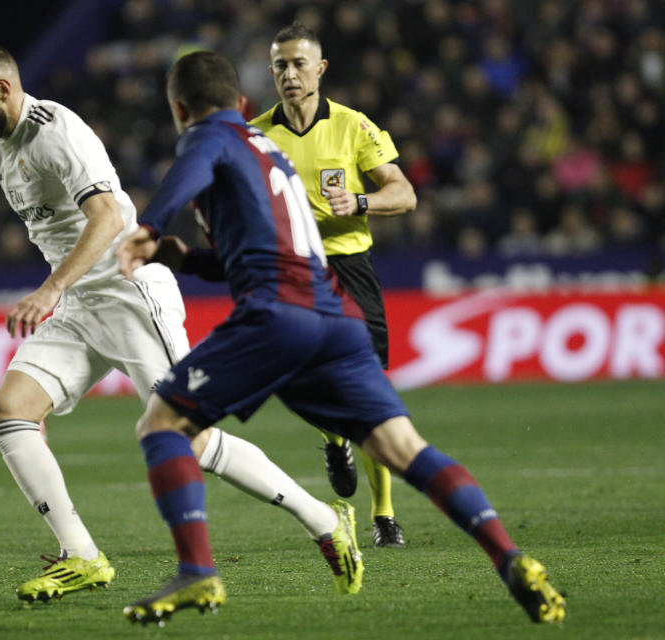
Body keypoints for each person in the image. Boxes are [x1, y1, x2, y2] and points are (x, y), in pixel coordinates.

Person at [116, 50, 565, 626]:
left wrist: (149, 228)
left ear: (180, 108)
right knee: (407, 450)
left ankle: (198, 572)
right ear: (245, 102)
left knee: (162, 422)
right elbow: (264, 249)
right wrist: (193, 261)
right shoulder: (270, 150)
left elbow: (191, 166)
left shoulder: (210, 136)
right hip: (336, 316)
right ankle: (510, 557)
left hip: (277, 315)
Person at [0, 41, 365, 604]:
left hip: (128, 293)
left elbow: (110, 215)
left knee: (191, 438)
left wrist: (50, 288)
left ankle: (325, 522)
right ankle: (82, 556)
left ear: (2, 88)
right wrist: (62, 291)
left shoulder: (56, 131)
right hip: (78, 308)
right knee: (8, 413)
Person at [248, 24, 417, 548]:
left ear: (320, 69)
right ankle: (331, 436)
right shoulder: (253, 135)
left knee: (369, 391)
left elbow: (404, 194)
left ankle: (384, 515)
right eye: (281, 65)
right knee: (302, 377)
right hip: (291, 271)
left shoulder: (353, 127)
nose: (289, 74)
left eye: (299, 64)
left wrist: (361, 202)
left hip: (348, 266)